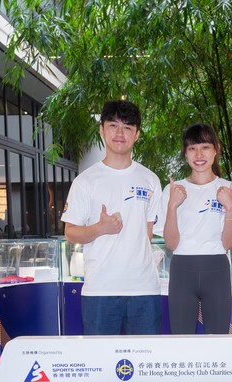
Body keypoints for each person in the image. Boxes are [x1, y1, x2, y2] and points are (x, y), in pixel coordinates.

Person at [61, 100, 163, 335]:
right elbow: (70, 233)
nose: (120, 133)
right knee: (100, 366)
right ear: (101, 130)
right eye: (113, 125)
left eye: (128, 127)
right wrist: (99, 228)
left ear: (137, 134)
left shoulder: (150, 180)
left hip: (144, 290)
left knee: (145, 365)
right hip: (100, 290)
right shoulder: (85, 181)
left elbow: (147, 232)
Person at [157, 123, 232, 334]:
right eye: (192, 148)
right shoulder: (173, 190)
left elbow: (228, 243)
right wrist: (172, 205)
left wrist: (230, 206)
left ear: (215, 150)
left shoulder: (230, 190)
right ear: (185, 154)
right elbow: (171, 243)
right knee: (182, 341)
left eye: (205, 147)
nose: (199, 154)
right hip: (181, 270)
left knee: (217, 342)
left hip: (216, 269)